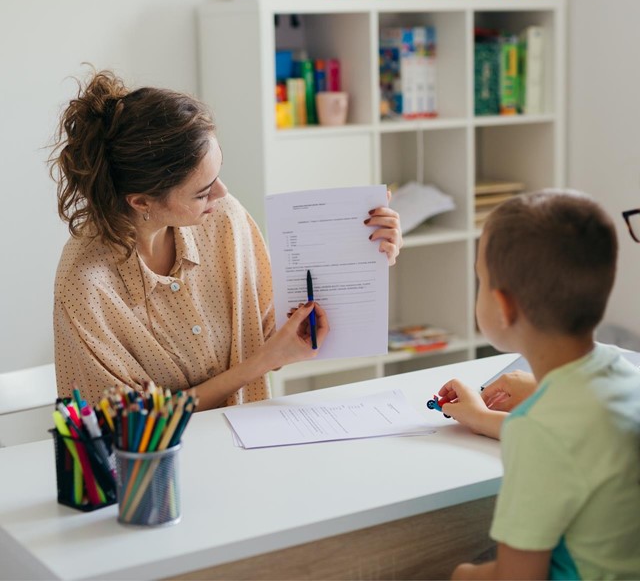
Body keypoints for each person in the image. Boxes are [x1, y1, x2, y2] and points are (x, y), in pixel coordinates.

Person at [49, 69, 402, 410]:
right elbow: (131, 425)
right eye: (202, 191)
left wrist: (364, 253)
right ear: (141, 202)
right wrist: (261, 362)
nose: (222, 192)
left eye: (218, 174)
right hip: (156, 467)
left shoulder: (224, 218)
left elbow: (277, 333)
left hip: (248, 449)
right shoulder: (86, 285)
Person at [437, 190, 640, 580]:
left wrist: (464, 575)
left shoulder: (537, 434)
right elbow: (576, 433)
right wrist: (480, 417)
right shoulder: (624, 374)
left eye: (479, 278)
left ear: (504, 305)